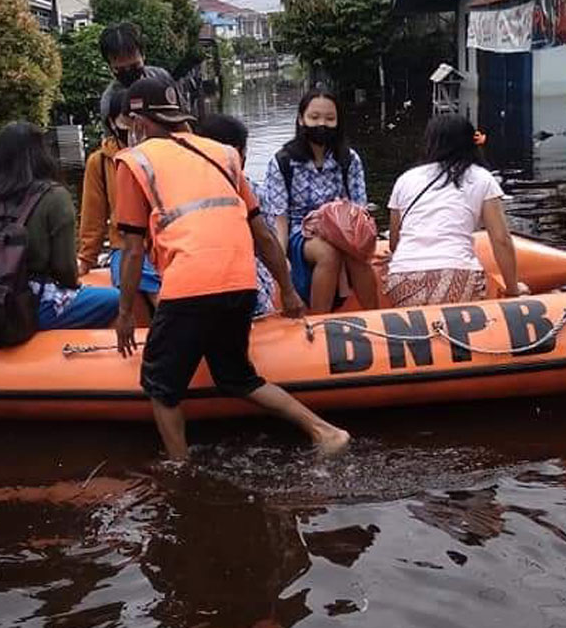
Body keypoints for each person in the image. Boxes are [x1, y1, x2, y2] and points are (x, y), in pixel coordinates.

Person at [113, 77, 350, 460]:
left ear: (140, 122)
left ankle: (180, 471)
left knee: (160, 387)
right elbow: (263, 234)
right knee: (237, 377)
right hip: (240, 281)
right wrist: (286, 289)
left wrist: (125, 313)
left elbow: (134, 249)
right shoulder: (224, 154)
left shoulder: (136, 162)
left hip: (189, 284)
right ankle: (325, 431)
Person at [0, 121, 119, 329]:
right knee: (118, 300)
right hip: (30, 302)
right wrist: (75, 284)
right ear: (41, 153)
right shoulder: (55, 197)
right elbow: (65, 269)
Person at [385, 115, 526, 307]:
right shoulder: (482, 178)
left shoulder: (405, 179)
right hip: (457, 276)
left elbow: (395, 243)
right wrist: (513, 290)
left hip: (402, 279)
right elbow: (501, 240)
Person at [262, 88, 379, 314]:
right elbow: (280, 216)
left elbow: (359, 208)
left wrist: (363, 244)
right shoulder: (283, 162)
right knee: (328, 252)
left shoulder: (348, 159)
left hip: (343, 227)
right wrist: (280, 259)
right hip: (301, 229)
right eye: (314, 118)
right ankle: (320, 321)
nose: (321, 124)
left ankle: (375, 316)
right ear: (301, 119)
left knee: (356, 254)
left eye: (329, 118)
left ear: (338, 122)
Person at [78, 89, 162, 306]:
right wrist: (86, 260)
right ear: (112, 122)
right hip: (126, 245)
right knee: (133, 273)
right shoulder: (99, 162)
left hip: (165, 241)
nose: (136, 125)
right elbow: (93, 218)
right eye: (128, 118)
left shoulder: (162, 152)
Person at [195, 113, 276, 316]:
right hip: (246, 282)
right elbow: (267, 240)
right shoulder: (254, 191)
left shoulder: (183, 194)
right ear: (238, 152)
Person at [99, 22, 176, 124]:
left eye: (134, 66)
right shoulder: (110, 102)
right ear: (109, 66)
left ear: (143, 55)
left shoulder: (161, 78)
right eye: (120, 69)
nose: (128, 72)